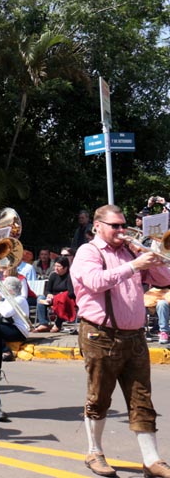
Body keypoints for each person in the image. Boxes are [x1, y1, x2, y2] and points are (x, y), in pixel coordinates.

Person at [70, 204, 170, 478]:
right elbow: (94, 281)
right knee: (99, 396)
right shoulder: (88, 252)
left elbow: (165, 278)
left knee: (142, 398)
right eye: (115, 225)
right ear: (98, 226)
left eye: (123, 225)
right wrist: (133, 265)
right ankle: (94, 451)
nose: (122, 230)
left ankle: (152, 460)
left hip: (135, 335)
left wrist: (152, 255)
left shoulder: (130, 251)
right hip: (100, 334)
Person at [34, 257, 75, 333]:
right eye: (55, 266)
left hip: (64, 299)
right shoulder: (53, 275)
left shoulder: (70, 276)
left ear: (65, 267)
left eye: (59, 266)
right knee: (40, 299)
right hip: (52, 298)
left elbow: (71, 292)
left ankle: (58, 324)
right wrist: (49, 294)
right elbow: (47, 289)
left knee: (62, 302)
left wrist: (58, 296)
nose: (56, 268)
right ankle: (43, 323)